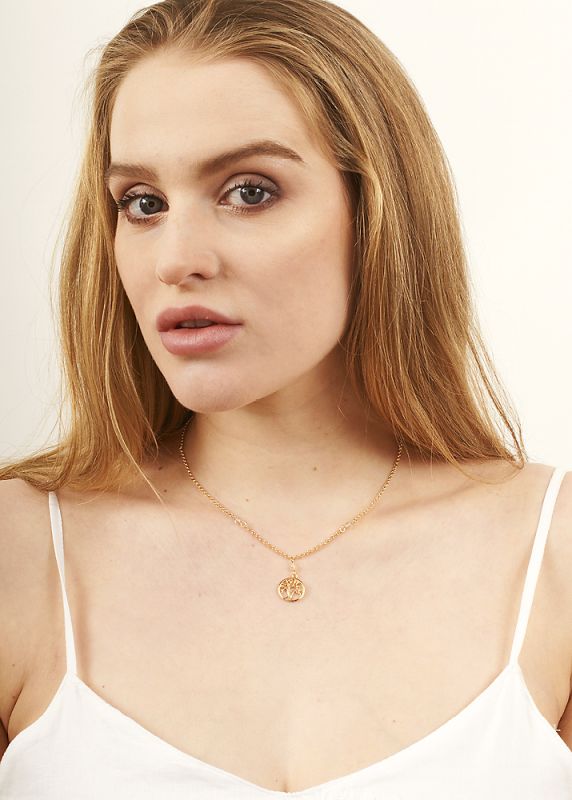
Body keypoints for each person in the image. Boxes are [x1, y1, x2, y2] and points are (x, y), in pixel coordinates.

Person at [0, 0, 570, 796]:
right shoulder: (20, 552)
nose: (175, 260)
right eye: (143, 203)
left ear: (377, 213)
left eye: (249, 191)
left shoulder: (552, 551)